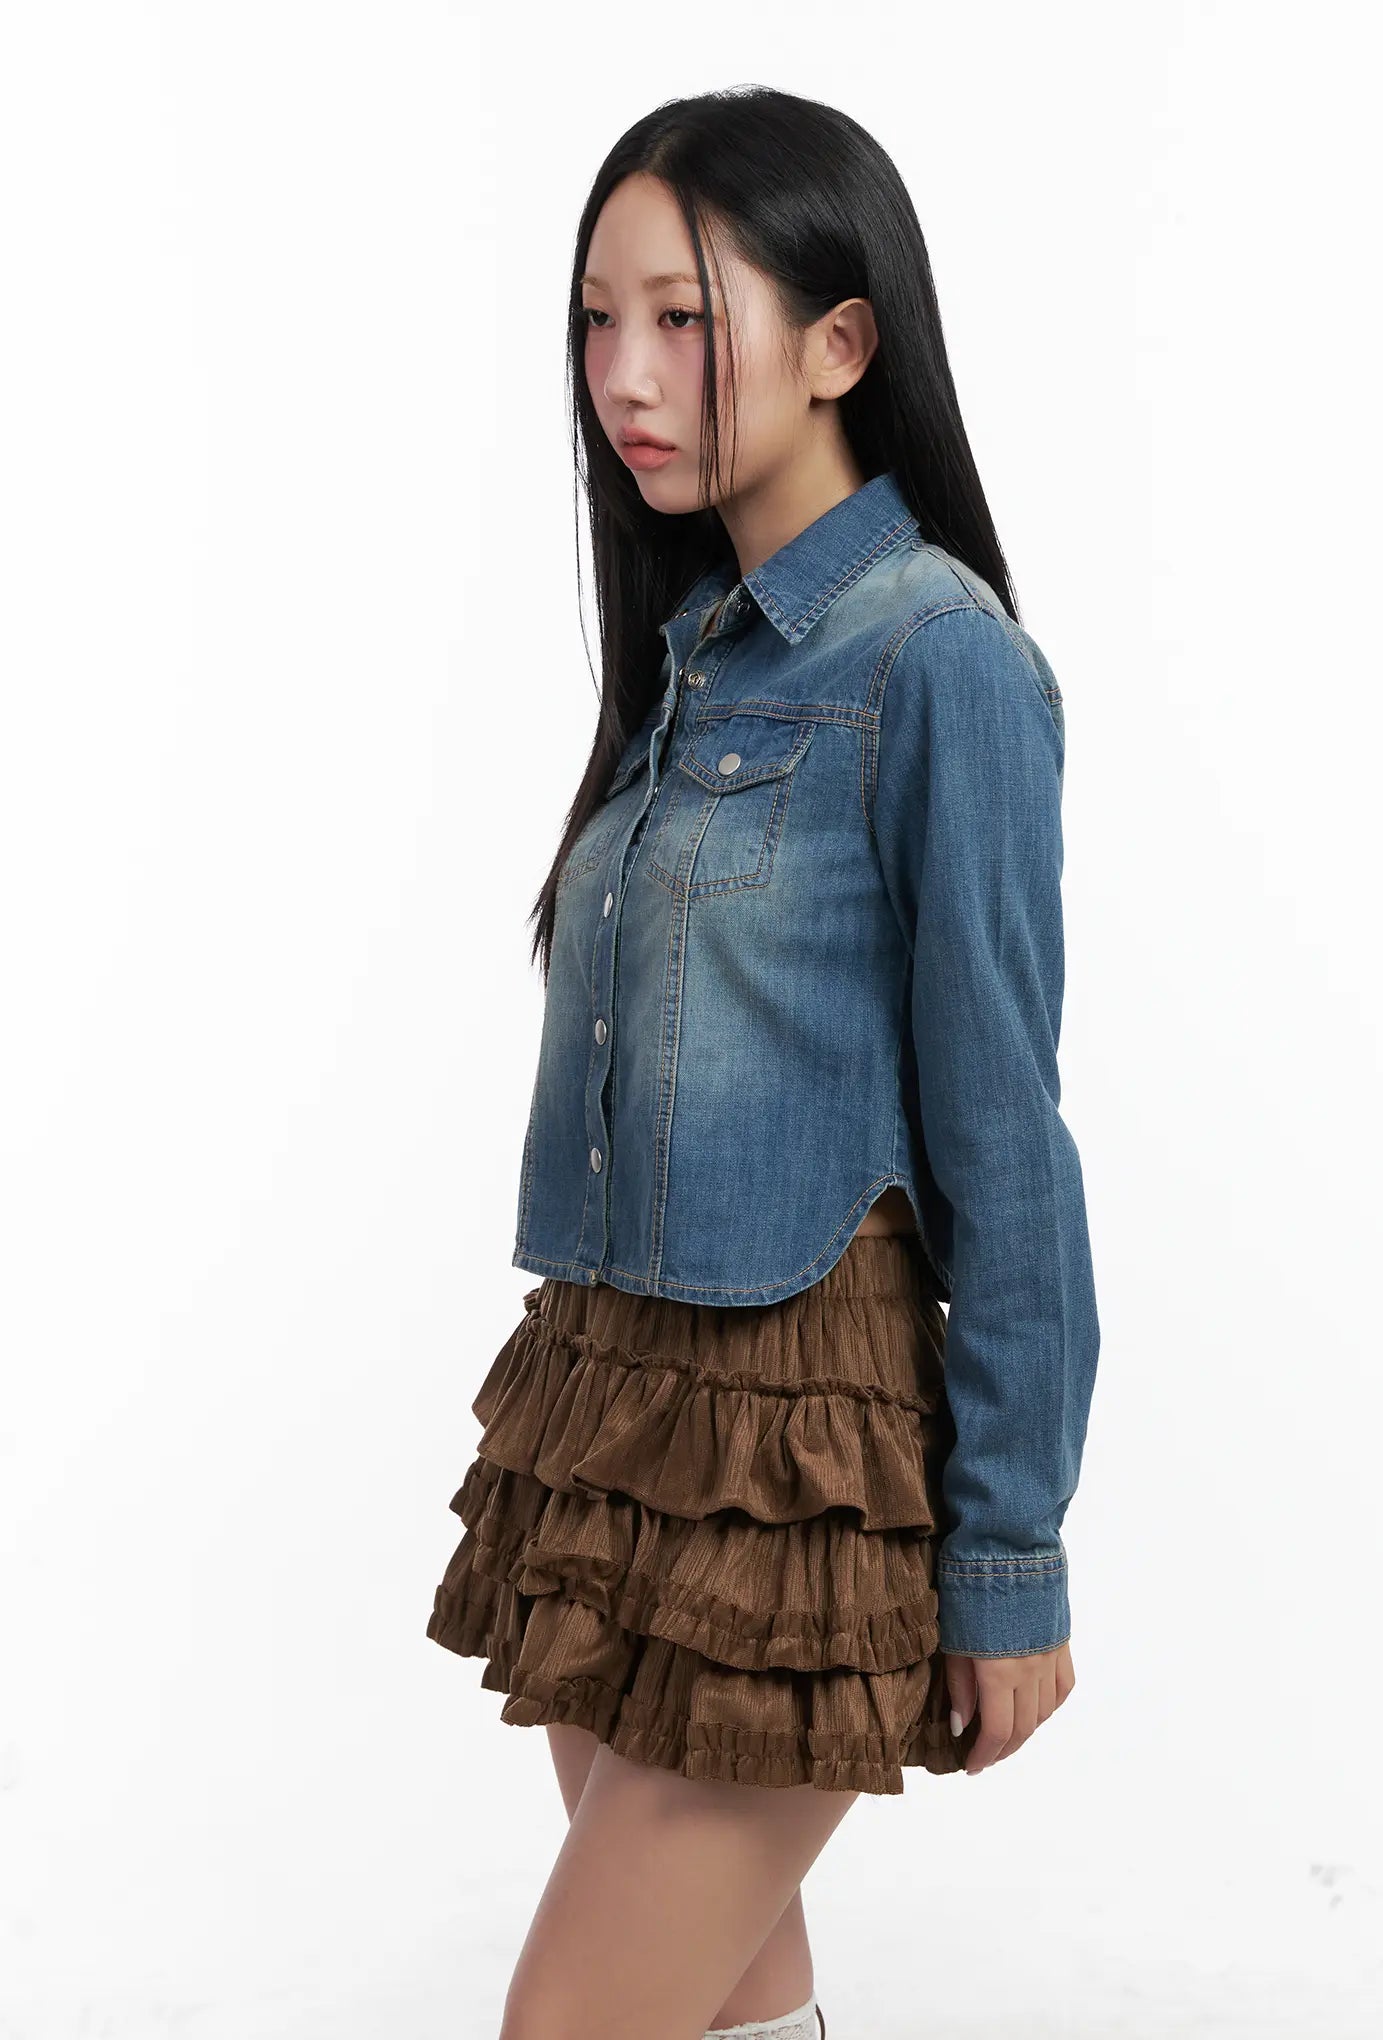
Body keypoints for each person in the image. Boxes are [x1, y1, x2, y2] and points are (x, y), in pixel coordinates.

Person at [426, 84, 1102, 2040]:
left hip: (798, 1452)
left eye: (683, 319)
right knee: (724, 2011)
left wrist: (1009, 1553)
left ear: (841, 343)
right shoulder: (702, 650)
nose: (624, 376)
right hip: (616, 1407)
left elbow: (1007, 1134)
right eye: (596, 320)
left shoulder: (935, 660)